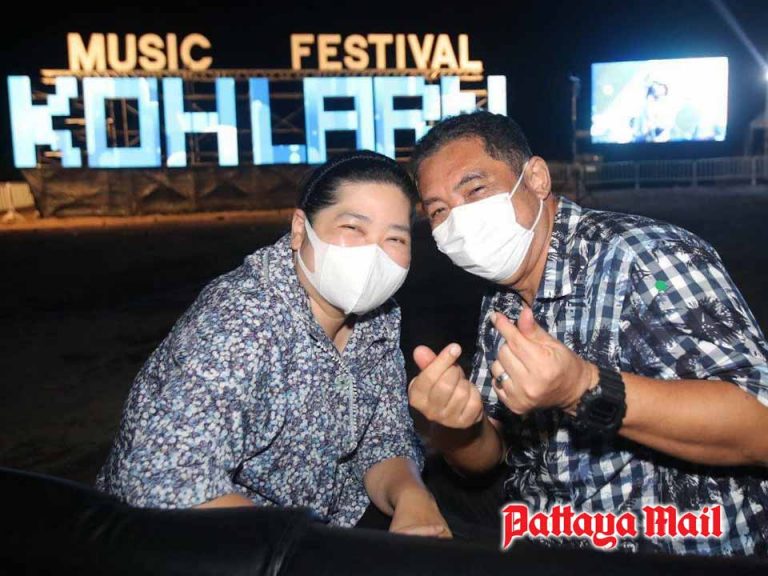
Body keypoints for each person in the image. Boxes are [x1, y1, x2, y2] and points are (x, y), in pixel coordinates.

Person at [407, 111, 768, 555]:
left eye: (476, 190)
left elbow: (761, 427)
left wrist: (583, 388)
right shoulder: (501, 297)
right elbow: (491, 456)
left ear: (536, 179)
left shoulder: (646, 257)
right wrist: (456, 426)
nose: (458, 221)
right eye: (439, 211)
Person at [96, 151, 450, 538]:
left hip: (325, 528)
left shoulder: (378, 320)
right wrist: (307, 550)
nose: (374, 254)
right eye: (352, 227)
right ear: (300, 229)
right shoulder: (240, 320)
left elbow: (383, 438)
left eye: (395, 238)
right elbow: (161, 478)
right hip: (199, 542)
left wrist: (411, 494)